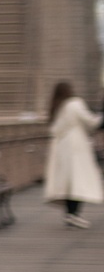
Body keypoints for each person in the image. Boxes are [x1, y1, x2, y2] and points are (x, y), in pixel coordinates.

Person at [44, 80, 101, 229]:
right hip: (76, 149)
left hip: (62, 149)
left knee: (70, 182)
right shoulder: (75, 104)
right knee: (79, 181)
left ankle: (70, 214)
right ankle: (74, 215)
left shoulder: (58, 107)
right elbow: (91, 121)